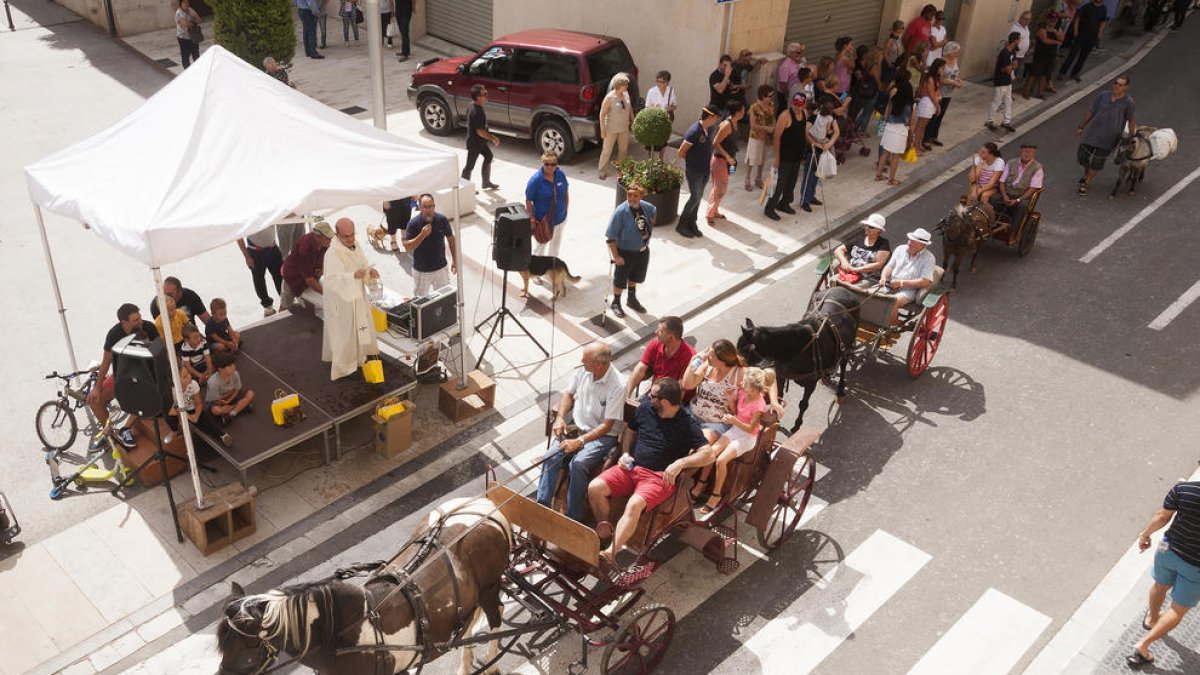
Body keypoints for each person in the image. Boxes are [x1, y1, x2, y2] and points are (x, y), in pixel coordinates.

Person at [588, 377, 711, 565]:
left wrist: (681, 463)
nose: (648, 397)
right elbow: (630, 430)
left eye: (652, 395)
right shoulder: (646, 408)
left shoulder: (687, 424)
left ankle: (610, 553)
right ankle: (607, 531)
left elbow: (708, 454)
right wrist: (626, 452)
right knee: (595, 487)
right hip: (632, 467)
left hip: (658, 478)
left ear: (664, 402)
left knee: (634, 505)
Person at [535, 344, 626, 522]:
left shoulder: (618, 385)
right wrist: (561, 417)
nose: (581, 362)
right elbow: (568, 394)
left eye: (585, 360)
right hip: (576, 427)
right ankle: (541, 505)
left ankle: (573, 516)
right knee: (551, 456)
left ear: (599, 365)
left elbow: (607, 426)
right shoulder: (583, 371)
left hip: (602, 436)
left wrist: (580, 442)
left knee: (578, 464)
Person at [1127, 480, 1200, 668]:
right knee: (1178, 608)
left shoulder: (1183, 489)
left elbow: (1162, 516)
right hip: (1195, 565)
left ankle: (1151, 619)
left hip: (1167, 549)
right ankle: (1143, 645)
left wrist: (1145, 535)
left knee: (1159, 584)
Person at [696, 367, 771, 515]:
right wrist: (731, 400)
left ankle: (716, 495)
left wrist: (734, 421)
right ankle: (702, 483)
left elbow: (750, 429)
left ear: (755, 389)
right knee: (710, 452)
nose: (742, 383)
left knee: (720, 460)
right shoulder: (743, 393)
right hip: (735, 430)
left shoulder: (759, 406)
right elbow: (736, 413)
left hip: (746, 437)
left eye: (746, 383)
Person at [87, 303, 160, 449]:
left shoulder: (149, 328)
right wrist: (97, 388)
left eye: (140, 317)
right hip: (122, 376)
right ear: (124, 322)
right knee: (94, 400)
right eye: (135, 320)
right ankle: (109, 433)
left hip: (147, 376)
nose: (140, 322)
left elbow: (159, 353)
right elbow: (106, 361)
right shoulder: (114, 334)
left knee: (143, 398)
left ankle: (125, 429)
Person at [321, 218, 379, 380]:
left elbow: (363, 264)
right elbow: (331, 280)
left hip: (358, 298)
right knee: (345, 335)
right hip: (343, 303)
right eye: (346, 236)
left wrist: (370, 273)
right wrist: (352, 276)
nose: (350, 239)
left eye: (352, 234)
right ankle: (345, 366)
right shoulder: (332, 253)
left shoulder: (356, 245)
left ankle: (360, 358)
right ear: (337, 235)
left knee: (360, 329)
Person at [1075, 74, 1135, 196]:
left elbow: (1131, 120)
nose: (1116, 86)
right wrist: (1081, 127)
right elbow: (1091, 111)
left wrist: (1130, 138)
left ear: (1126, 87)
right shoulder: (1103, 96)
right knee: (1082, 156)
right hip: (1092, 133)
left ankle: (1086, 182)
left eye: (1120, 84)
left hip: (1109, 138)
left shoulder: (1128, 103)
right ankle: (1087, 171)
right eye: (1116, 83)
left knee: (1097, 162)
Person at [605, 184, 657, 318]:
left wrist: (648, 231)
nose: (632, 198)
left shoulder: (646, 207)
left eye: (635, 195)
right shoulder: (620, 212)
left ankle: (631, 299)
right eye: (629, 195)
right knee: (620, 280)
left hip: (642, 250)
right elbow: (611, 237)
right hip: (625, 252)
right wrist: (616, 256)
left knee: (635, 276)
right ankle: (616, 302)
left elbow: (654, 213)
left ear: (641, 196)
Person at [681, 339, 743, 444]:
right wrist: (693, 362)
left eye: (710, 355)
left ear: (722, 360)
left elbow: (768, 379)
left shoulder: (739, 373)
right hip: (692, 413)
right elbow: (687, 385)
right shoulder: (708, 366)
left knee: (699, 445)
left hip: (716, 423)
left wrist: (774, 402)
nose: (706, 356)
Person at [624, 316, 695, 401]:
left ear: (671, 337)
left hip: (673, 401)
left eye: (660, 331)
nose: (656, 332)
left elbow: (681, 390)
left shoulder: (689, 357)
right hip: (655, 394)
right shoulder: (655, 344)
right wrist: (627, 397)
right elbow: (640, 369)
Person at [764, 93, 811, 221]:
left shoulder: (804, 114)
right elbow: (776, 137)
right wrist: (777, 158)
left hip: (797, 156)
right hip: (785, 157)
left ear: (804, 104)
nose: (797, 107)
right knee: (780, 183)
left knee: (791, 182)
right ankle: (769, 208)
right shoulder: (785, 116)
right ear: (792, 103)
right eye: (795, 104)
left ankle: (784, 203)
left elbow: (803, 133)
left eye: (800, 105)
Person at [675, 108, 719, 238]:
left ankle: (691, 222)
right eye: (715, 117)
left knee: (698, 197)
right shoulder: (694, 131)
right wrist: (693, 162)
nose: (716, 120)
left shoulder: (708, 129)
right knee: (695, 197)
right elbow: (681, 152)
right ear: (710, 117)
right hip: (694, 171)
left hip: (705, 170)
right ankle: (682, 224)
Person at [878, 228, 936, 325]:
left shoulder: (929, 258)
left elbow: (925, 281)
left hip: (908, 291)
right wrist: (883, 277)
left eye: (914, 242)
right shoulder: (900, 249)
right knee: (871, 297)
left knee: (891, 302)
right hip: (890, 284)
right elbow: (889, 266)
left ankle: (891, 328)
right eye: (910, 239)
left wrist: (901, 283)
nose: (909, 243)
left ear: (923, 246)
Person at [403, 194, 458, 296]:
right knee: (420, 302)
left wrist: (455, 260)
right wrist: (422, 235)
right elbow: (407, 246)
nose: (428, 210)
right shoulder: (413, 224)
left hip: (441, 269)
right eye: (425, 207)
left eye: (430, 206)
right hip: (421, 272)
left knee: (446, 298)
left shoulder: (442, 220)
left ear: (434, 206)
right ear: (419, 207)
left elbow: (451, 239)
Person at [164, 365, 230, 447]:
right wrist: (184, 415)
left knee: (207, 421)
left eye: (188, 373)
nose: (189, 376)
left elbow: (198, 403)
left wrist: (196, 416)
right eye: (185, 376)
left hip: (192, 408)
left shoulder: (193, 384)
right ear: (176, 382)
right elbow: (173, 410)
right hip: (178, 410)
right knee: (168, 417)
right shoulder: (171, 390)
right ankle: (174, 431)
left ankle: (222, 435)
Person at [989, 143, 1044, 232]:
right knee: (993, 198)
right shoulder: (1011, 162)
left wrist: (1018, 200)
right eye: (1025, 152)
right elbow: (1002, 181)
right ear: (1021, 152)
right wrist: (1004, 195)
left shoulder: (1037, 168)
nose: (1027, 154)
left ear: (1034, 154)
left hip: (1022, 196)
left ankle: (1013, 231)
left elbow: (1033, 188)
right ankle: (989, 224)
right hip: (1007, 193)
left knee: (1022, 206)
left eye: (1031, 152)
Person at [876, 66, 915, 187]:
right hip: (900, 130)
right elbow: (911, 123)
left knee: (885, 153)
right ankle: (891, 179)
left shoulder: (893, 98)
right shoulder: (911, 105)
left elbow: (886, 114)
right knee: (895, 157)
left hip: (889, 127)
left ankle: (879, 175)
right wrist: (911, 138)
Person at [280, 220, 334, 309]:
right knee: (286, 302)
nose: (330, 240)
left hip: (311, 272)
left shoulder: (324, 243)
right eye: (327, 238)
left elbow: (326, 259)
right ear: (317, 236)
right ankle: (280, 319)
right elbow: (309, 280)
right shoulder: (305, 249)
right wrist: (328, 293)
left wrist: (322, 269)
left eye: (330, 237)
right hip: (293, 275)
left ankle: (310, 315)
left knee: (311, 301)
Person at [526, 151, 570, 258]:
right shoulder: (535, 181)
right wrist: (532, 219)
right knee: (540, 250)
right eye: (547, 164)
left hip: (560, 220)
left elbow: (566, 193)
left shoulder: (560, 175)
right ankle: (537, 271)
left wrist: (565, 211)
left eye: (553, 164)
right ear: (542, 163)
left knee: (555, 248)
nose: (550, 167)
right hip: (543, 221)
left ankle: (551, 269)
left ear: (557, 164)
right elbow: (528, 201)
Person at [706, 100, 743, 225]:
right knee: (719, 188)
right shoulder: (727, 125)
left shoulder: (735, 123)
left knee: (722, 187)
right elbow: (715, 143)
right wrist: (727, 157)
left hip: (728, 161)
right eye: (742, 110)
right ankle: (710, 213)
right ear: (737, 112)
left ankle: (714, 210)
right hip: (720, 161)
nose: (744, 112)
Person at [799, 98, 838, 213]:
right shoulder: (814, 117)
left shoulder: (819, 116)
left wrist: (829, 143)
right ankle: (804, 200)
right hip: (813, 149)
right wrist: (817, 143)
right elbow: (807, 132)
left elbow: (836, 131)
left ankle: (811, 196)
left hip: (821, 148)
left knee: (817, 173)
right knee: (809, 175)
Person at [238, 226, 285, 317]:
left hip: (273, 249)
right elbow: (238, 236)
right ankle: (267, 306)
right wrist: (247, 257)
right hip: (255, 252)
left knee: (281, 276)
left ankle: (285, 301)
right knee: (259, 281)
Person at [834, 213, 892, 284]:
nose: (867, 228)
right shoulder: (859, 238)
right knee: (833, 280)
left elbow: (878, 265)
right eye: (866, 225)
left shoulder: (883, 243)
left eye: (871, 227)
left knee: (852, 287)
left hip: (867, 277)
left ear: (878, 230)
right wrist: (844, 262)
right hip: (849, 271)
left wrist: (857, 270)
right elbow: (838, 250)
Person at [925, 42, 963, 148]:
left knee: (940, 115)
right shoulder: (942, 62)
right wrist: (952, 82)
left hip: (949, 93)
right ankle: (926, 137)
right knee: (934, 115)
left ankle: (934, 135)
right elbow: (939, 78)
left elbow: (956, 73)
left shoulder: (954, 61)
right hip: (940, 92)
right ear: (949, 52)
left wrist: (958, 80)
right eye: (956, 52)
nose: (957, 54)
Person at [462, 84, 500, 189]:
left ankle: (486, 182)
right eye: (485, 94)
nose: (487, 95)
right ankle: (465, 189)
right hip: (474, 143)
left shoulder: (471, 105)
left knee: (489, 156)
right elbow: (480, 131)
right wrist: (493, 138)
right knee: (469, 166)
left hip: (480, 141)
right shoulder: (477, 112)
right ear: (478, 97)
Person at [1058, 0, 1107, 83]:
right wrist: (1076, 32)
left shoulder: (1103, 9)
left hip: (1092, 37)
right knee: (1072, 55)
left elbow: (1103, 22)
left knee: (1083, 56)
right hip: (1081, 35)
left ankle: (1075, 73)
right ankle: (1062, 72)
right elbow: (1077, 18)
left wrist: (1100, 33)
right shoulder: (1087, 6)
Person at [598, 73, 633, 180]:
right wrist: (603, 129)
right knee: (607, 151)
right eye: (625, 85)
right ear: (618, 85)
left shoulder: (626, 94)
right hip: (611, 129)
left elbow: (630, 109)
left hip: (623, 128)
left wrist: (633, 120)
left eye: (627, 85)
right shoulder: (610, 97)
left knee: (623, 151)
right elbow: (602, 114)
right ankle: (602, 171)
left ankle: (622, 171)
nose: (627, 87)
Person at [985, 33, 1021, 134]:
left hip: (1007, 81)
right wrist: (1011, 67)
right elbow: (1009, 70)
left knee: (1008, 101)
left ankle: (1007, 121)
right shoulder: (1005, 53)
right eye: (1019, 39)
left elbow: (1014, 66)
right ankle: (990, 120)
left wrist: (1011, 67)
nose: (1020, 42)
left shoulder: (1012, 51)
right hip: (1001, 81)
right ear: (1015, 40)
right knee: (997, 101)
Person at [206, 352, 255, 424]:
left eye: (233, 364)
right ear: (220, 369)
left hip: (231, 396)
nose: (233, 366)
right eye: (230, 365)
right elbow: (216, 399)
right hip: (219, 400)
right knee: (216, 410)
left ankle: (232, 413)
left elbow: (237, 389)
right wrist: (228, 397)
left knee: (251, 394)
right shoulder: (213, 382)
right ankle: (241, 407)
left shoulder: (235, 374)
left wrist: (229, 400)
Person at [1025, 12, 1063, 99]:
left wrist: (1056, 33)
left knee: (1044, 74)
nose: (1053, 22)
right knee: (1033, 74)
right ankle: (1027, 91)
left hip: (1051, 55)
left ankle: (1040, 92)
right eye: (1051, 20)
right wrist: (1056, 42)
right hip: (1040, 54)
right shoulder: (1042, 28)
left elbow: (1062, 38)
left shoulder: (1058, 29)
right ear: (1047, 20)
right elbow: (1044, 39)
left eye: (1055, 20)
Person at [745, 85, 776, 191]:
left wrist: (773, 130)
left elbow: (773, 119)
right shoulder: (754, 107)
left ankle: (758, 178)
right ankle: (747, 178)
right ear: (763, 96)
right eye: (769, 95)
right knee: (752, 158)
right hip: (755, 137)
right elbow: (753, 126)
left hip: (766, 137)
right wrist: (767, 129)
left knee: (762, 159)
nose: (771, 97)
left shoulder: (771, 105)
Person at [914, 58, 943, 155]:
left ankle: (919, 145)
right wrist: (937, 105)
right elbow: (931, 94)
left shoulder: (935, 78)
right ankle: (915, 147)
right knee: (920, 127)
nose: (943, 70)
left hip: (930, 103)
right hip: (927, 103)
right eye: (942, 68)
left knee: (923, 127)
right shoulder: (930, 79)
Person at [175, 1, 202, 69]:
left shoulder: (191, 10)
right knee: (185, 56)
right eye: (184, 3)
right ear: (181, 4)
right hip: (183, 38)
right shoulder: (179, 12)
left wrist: (193, 19)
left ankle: (198, 70)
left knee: (196, 55)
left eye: (187, 2)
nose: (186, 4)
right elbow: (186, 25)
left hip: (193, 36)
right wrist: (192, 21)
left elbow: (199, 20)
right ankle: (187, 72)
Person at [1010, 10, 1033, 82]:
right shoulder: (1015, 28)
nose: (1026, 21)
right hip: (1015, 54)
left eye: (1028, 19)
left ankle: (1010, 87)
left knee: (1015, 72)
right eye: (1024, 18)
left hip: (1021, 54)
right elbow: (1011, 43)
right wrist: (1014, 56)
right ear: (1020, 18)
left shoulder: (1026, 27)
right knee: (1011, 72)